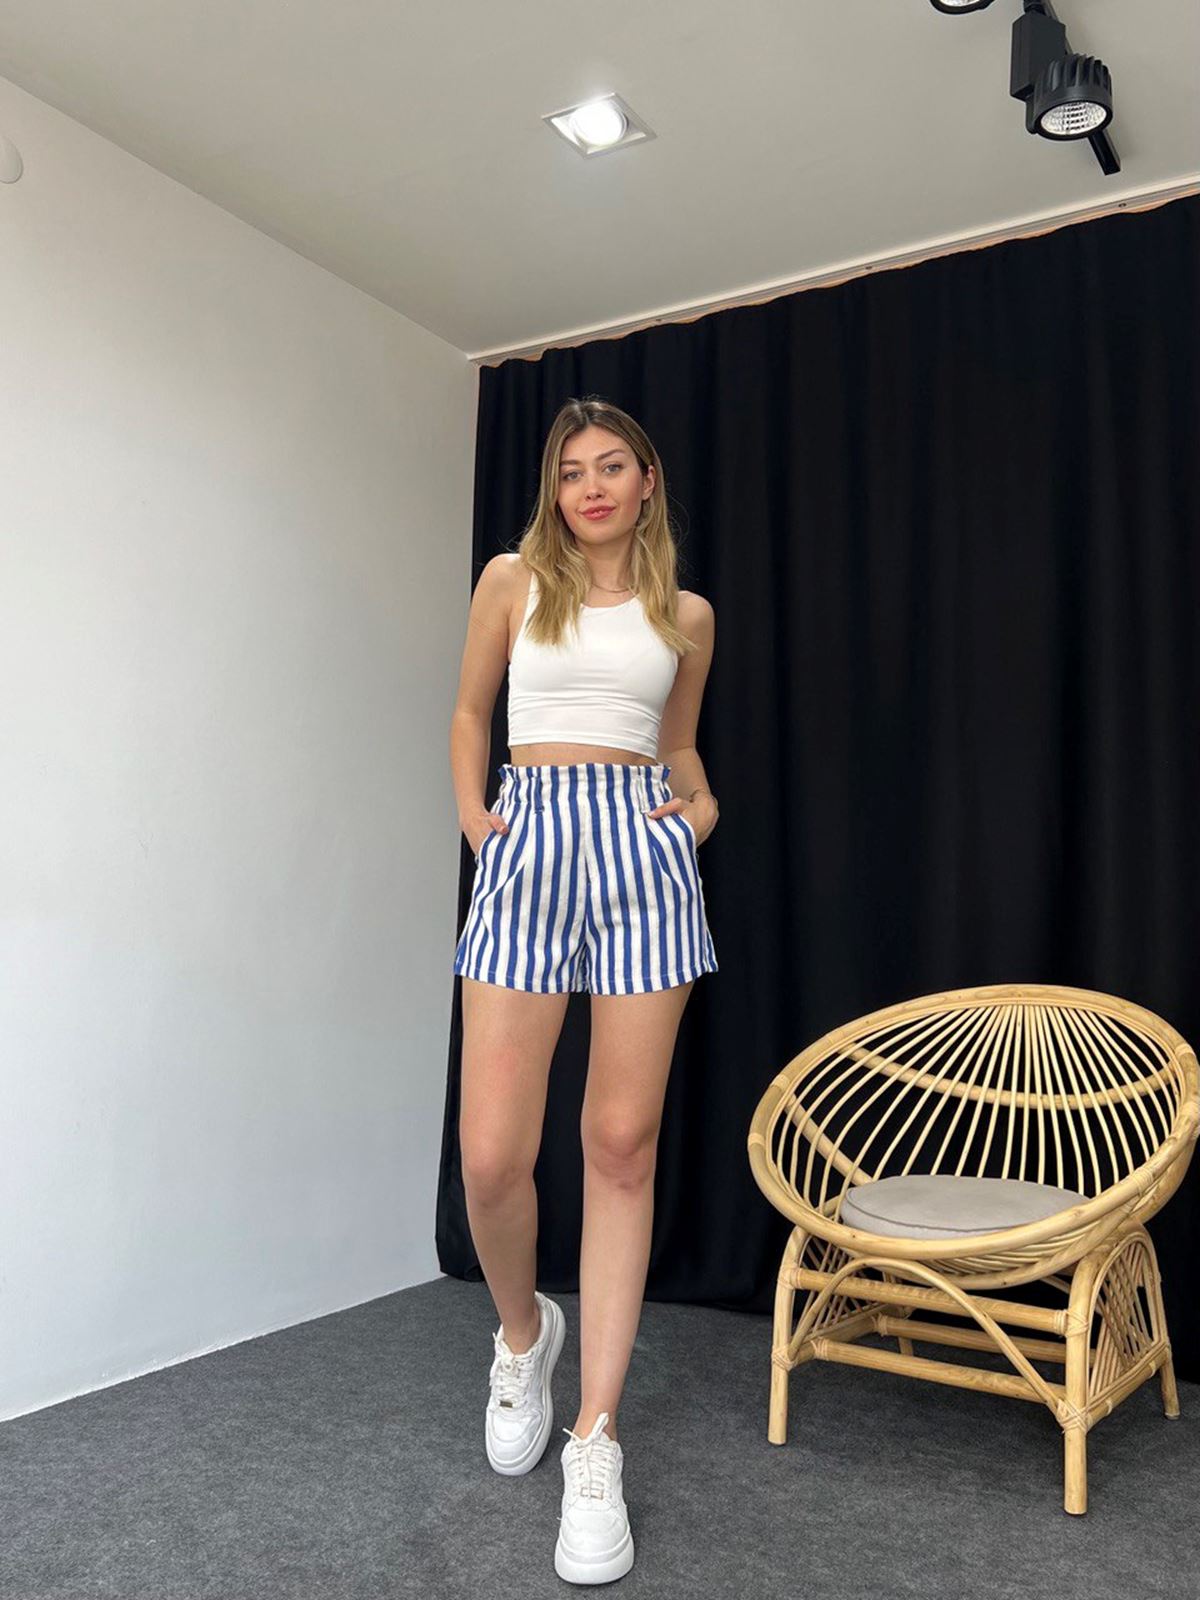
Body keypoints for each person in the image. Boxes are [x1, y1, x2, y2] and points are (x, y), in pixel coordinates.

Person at [448, 396, 719, 1585]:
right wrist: (477, 819)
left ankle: (595, 1435)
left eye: (613, 466)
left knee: (620, 1144)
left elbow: (679, 745)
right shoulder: (514, 581)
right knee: (491, 1157)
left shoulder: (686, 615)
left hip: (640, 857)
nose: (593, 486)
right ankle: (524, 1334)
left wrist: (699, 810)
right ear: (554, 491)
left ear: (647, 481)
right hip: (530, 843)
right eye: (572, 471)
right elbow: (471, 710)